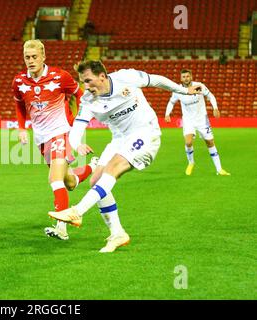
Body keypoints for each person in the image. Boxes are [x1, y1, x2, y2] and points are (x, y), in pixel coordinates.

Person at [48, 60, 202, 253]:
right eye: (82, 82)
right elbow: (77, 126)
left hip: (145, 133)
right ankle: (118, 233)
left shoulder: (126, 77)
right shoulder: (88, 100)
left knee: (114, 167)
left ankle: (77, 211)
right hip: (119, 139)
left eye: (88, 81)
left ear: (102, 76)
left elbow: (156, 80)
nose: (85, 87)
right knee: (96, 180)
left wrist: (183, 90)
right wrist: (77, 144)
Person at [12, 40, 98, 241]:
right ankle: (92, 168)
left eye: (34, 57)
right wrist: (22, 128)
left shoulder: (60, 77)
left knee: (54, 179)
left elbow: (80, 94)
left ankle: (62, 228)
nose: (31, 61)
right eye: (27, 57)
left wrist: (77, 121)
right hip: (42, 138)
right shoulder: (19, 82)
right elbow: (19, 106)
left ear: (43, 56)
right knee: (68, 182)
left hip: (61, 132)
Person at [165, 69, 230, 176]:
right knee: (188, 142)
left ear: (191, 77)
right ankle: (191, 163)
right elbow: (171, 102)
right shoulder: (177, 89)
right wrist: (167, 114)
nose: (186, 78)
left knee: (210, 143)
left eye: (187, 76)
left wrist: (215, 108)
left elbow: (211, 96)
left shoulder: (199, 86)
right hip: (188, 120)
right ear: (181, 79)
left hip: (202, 120)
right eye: (184, 77)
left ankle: (219, 169)